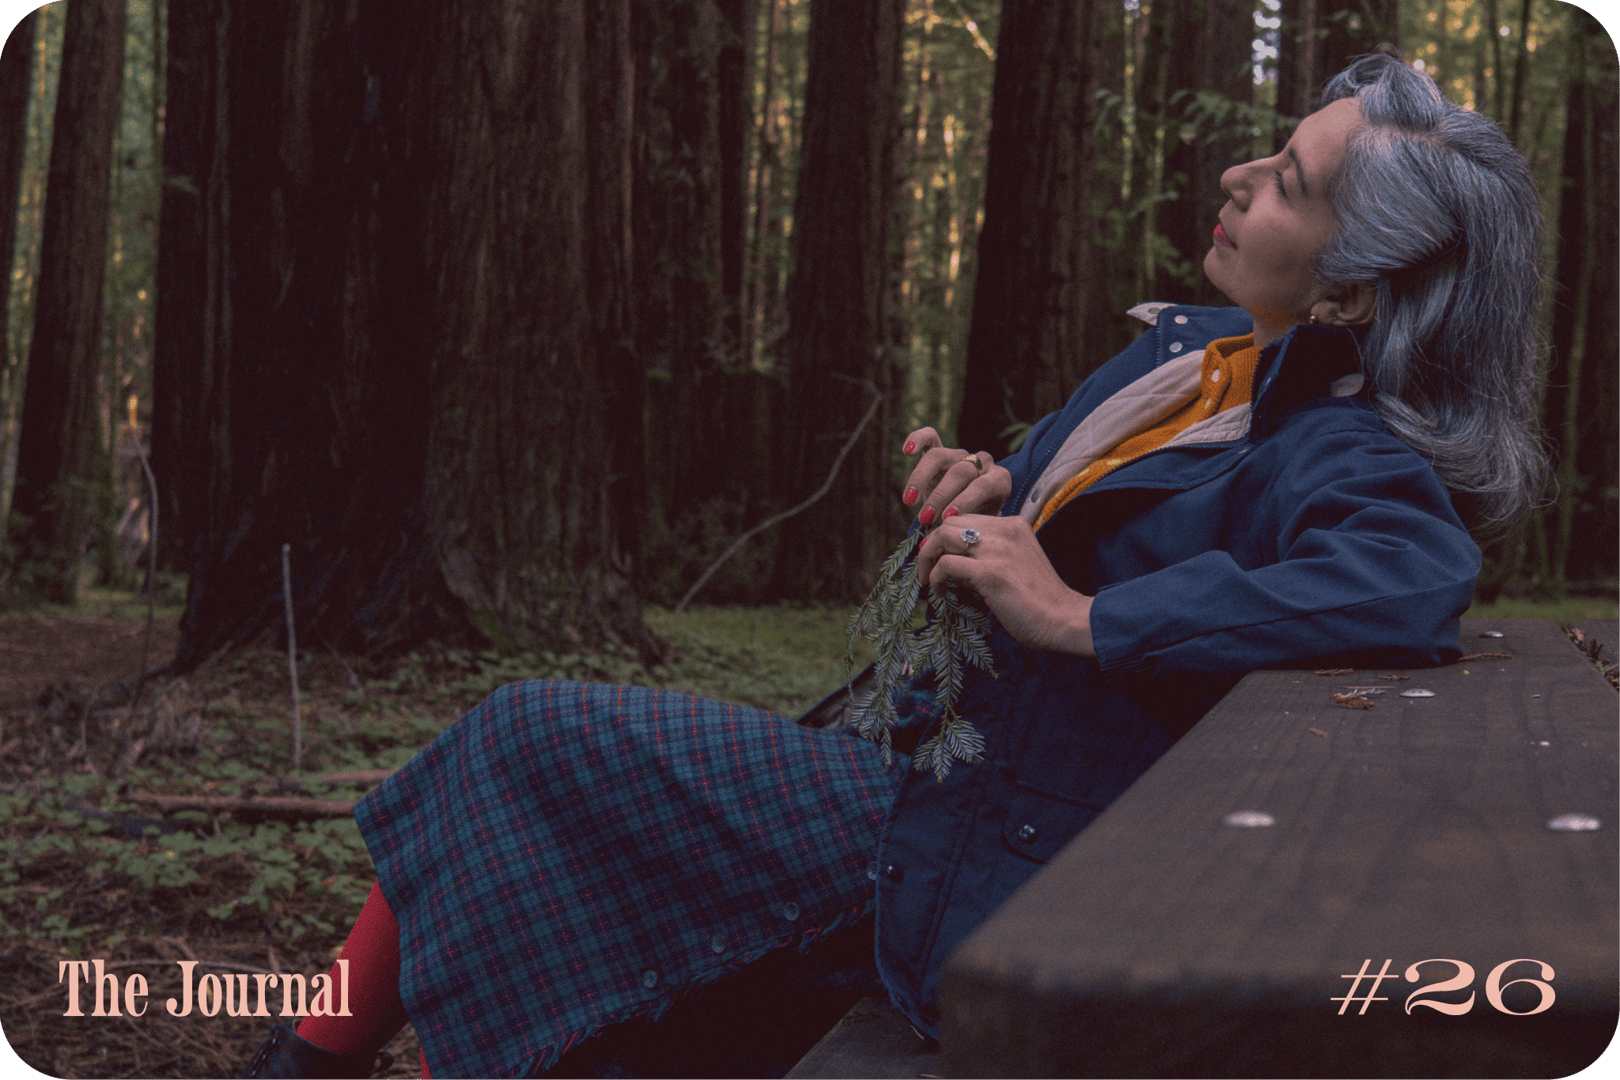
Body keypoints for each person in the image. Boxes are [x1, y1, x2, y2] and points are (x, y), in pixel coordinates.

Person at [243, 53, 1545, 1079]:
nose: (1240, 176)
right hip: (940, 772)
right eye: (1274, 147)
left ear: (1354, 298)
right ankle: (310, 1059)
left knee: (528, 741)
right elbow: (1103, 513)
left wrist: (1082, 614)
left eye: (1291, 185)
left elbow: (1408, 574)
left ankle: (302, 1064)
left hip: (1001, 847)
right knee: (535, 768)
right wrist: (998, 494)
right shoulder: (1205, 357)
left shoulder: (1343, 448)